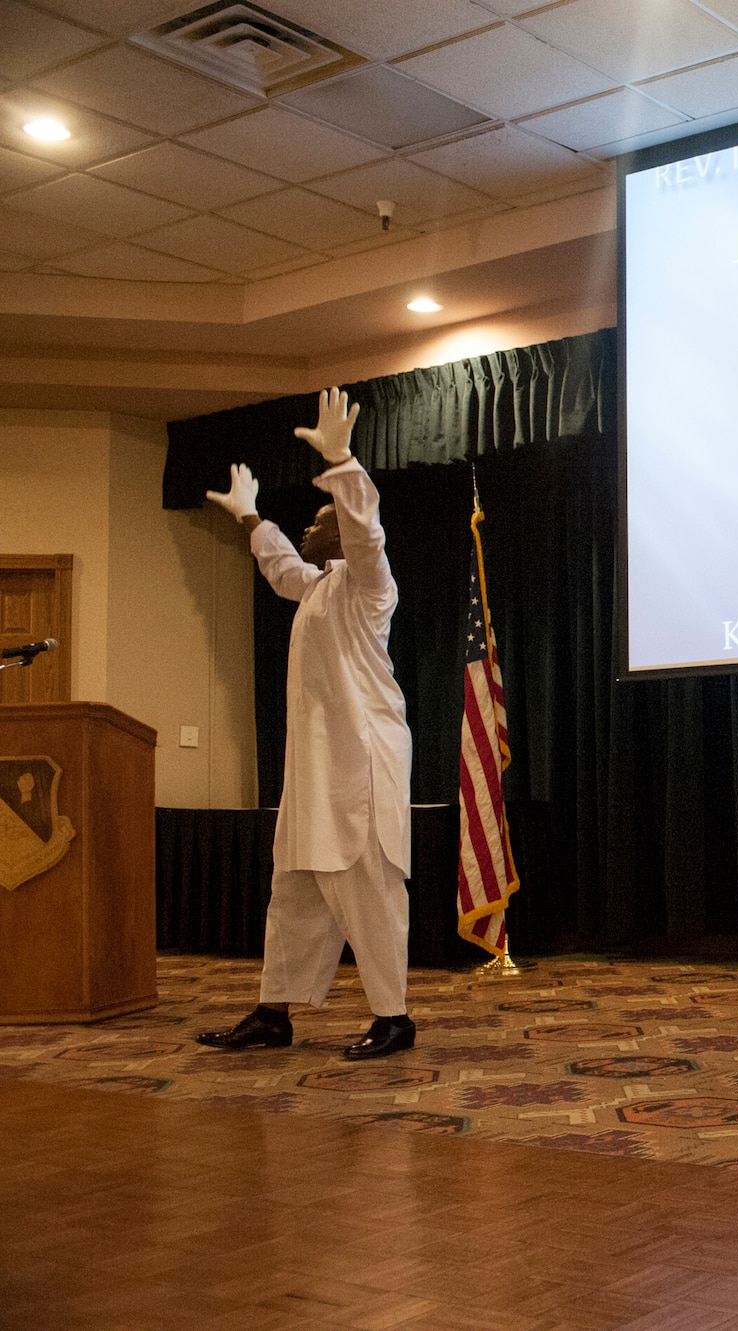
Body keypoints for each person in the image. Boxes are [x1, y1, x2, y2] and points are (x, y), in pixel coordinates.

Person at [196, 388, 418, 1061]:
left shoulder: (368, 582)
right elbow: (280, 567)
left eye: (319, 518)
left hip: (361, 765)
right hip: (315, 772)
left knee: (367, 891)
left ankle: (395, 1017)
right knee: (292, 889)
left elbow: (365, 529)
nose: (309, 527)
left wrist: (343, 461)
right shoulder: (318, 586)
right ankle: (273, 1011)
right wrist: (251, 517)